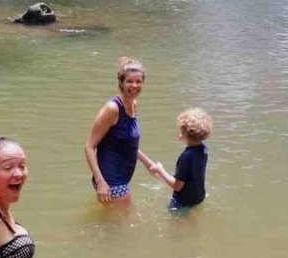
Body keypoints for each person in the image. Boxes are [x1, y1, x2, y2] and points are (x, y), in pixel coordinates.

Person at [84, 57, 156, 205]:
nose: (134, 85)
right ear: (121, 83)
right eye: (130, 81)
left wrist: (148, 163)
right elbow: (89, 146)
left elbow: (127, 143)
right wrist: (101, 183)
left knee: (115, 224)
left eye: (139, 81)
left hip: (120, 179)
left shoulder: (133, 104)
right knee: (124, 226)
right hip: (111, 183)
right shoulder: (113, 109)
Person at [150, 108, 212, 209]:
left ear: (186, 134)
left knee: (174, 222)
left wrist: (159, 169)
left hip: (182, 202)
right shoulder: (203, 150)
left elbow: (177, 186)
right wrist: (185, 137)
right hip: (198, 197)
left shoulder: (186, 157)